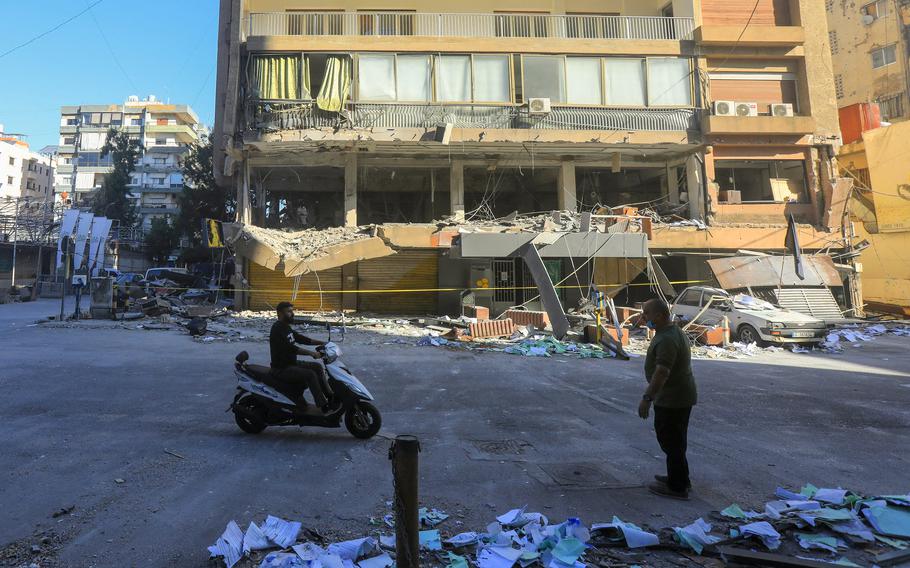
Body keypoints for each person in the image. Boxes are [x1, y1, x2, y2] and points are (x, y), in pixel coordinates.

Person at [638, 298, 697, 500]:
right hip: (677, 396)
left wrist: (647, 398)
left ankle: (677, 487)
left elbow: (662, 372)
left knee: (671, 441)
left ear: (659, 316)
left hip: (673, 398)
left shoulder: (667, 339)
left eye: (646, 313)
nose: (643, 317)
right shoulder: (670, 333)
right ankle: (680, 477)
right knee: (675, 440)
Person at [269, 301, 339, 414]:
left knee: (317, 367)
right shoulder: (277, 329)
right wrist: (312, 354)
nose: (292, 314)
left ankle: (330, 397)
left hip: (291, 363)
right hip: (281, 368)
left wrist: (323, 343)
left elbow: (301, 339)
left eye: (292, 311)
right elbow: (291, 348)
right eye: (289, 311)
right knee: (310, 374)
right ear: (280, 314)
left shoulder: (286, 327)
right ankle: (323, 405)